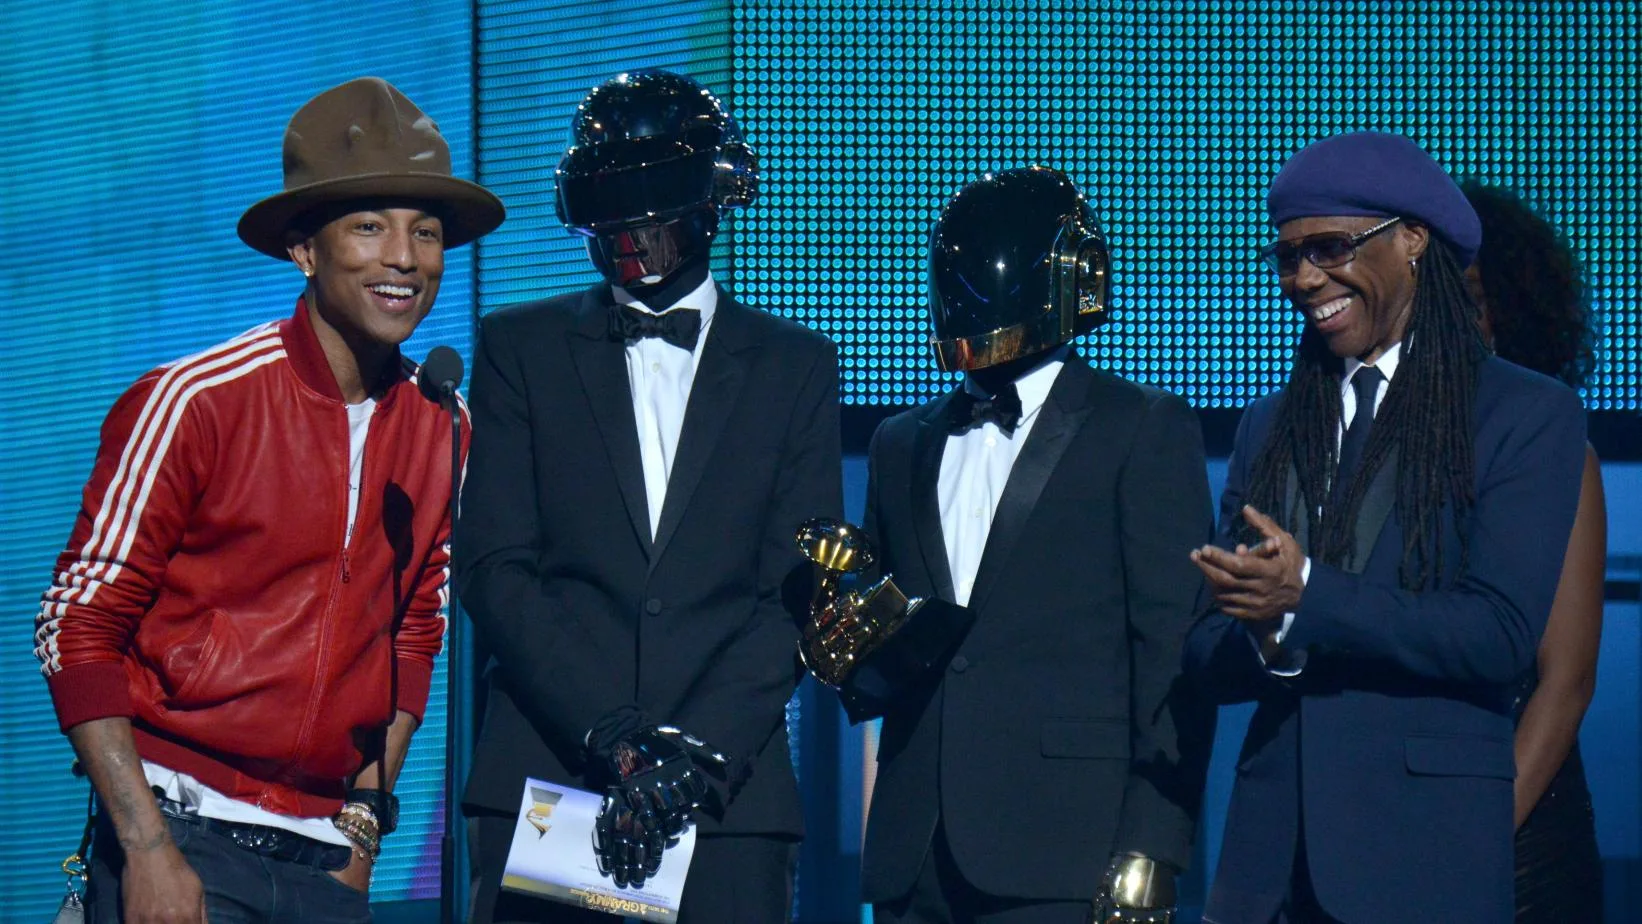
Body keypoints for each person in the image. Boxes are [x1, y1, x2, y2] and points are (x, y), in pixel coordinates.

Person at [34, 77, 503, 923]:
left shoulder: (444, 423)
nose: (404, 258)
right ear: (304, 250)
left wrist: (364, 830)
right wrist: (146, 848)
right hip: (184, 835)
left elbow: (414, 633)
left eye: (426, 232)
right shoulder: (196, 401)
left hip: (325, 857)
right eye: (370, 226)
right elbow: (75, 624)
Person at [455, 69, 841, 923]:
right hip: (557, 779)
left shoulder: (796, 367)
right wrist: (614, 733)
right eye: (613, 206)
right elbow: (495, 567)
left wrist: (693, 759)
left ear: (712, 197)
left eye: (655, 203)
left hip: (727, 803)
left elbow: (795, 593)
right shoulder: (521, 348)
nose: (635, 231)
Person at [1183, 132, 1588, 923]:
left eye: (1330, 247)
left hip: (1422, 860)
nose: (1306, 278)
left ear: (1412, 241)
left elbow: (1498, 633)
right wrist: (1266, 636)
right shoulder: (1271, 425)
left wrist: (1308, 597)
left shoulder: (1521, 414)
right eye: (1289, 257)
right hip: (1268, 872)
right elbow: (1204, 653)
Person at [823, 166, 1214, 923]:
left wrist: (1154, 845)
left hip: (1065, 853)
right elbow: (894, 651)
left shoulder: (1141, 428)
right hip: (913, 856)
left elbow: (1170, 652)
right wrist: (843, 639)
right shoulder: (900, 443)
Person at [1462, 179, 1605, 922]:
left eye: (1472, 299)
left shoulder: (1555, 451)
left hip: (1521, 851)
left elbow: (1566, 681)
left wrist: (1469, 845)